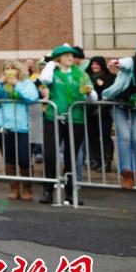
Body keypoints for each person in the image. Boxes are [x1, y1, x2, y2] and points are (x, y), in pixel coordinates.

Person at [38, 44, 96, 205]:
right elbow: (44, 80)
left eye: (71, 55)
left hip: (75, 118)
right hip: (53, 117)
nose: (70, 57)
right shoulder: (53, 73)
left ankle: (70, 192)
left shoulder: (82, 75)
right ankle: (48, 191)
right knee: (50, 154)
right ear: (59, 59)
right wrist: (50, 64)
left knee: (72, 156)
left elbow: (93, 99)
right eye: (66, 55)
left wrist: (90, 92)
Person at [0, 61, 40, 200]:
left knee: (24, 158)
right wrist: (0, 82)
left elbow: (32, 97)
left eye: (13, 68)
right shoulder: (1, 84)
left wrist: (17, 84)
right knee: (9, 158)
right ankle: (13, 188)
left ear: (19, 70)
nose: (10, 71)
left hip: (23, 127)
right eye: (7, 69)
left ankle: (27, 188)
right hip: (3, 125)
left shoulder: (26, 83)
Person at [103, 42, 136, 189]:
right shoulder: (131, 63)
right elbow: (125, 63)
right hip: (118, 103)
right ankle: (126, 174)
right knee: (125, 136)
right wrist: (117, 62)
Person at [86, 56, 116, 173]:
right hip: (90, 111)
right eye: (92, 64)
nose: (94, 66)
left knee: (105, 135)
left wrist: (102, 85)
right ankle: (96, 160)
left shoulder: (110, 77)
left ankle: (107, 162)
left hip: (104, 111)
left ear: (102, 65)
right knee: (92, 136)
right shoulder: (86, 76)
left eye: (97, 64)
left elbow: (112, 92)